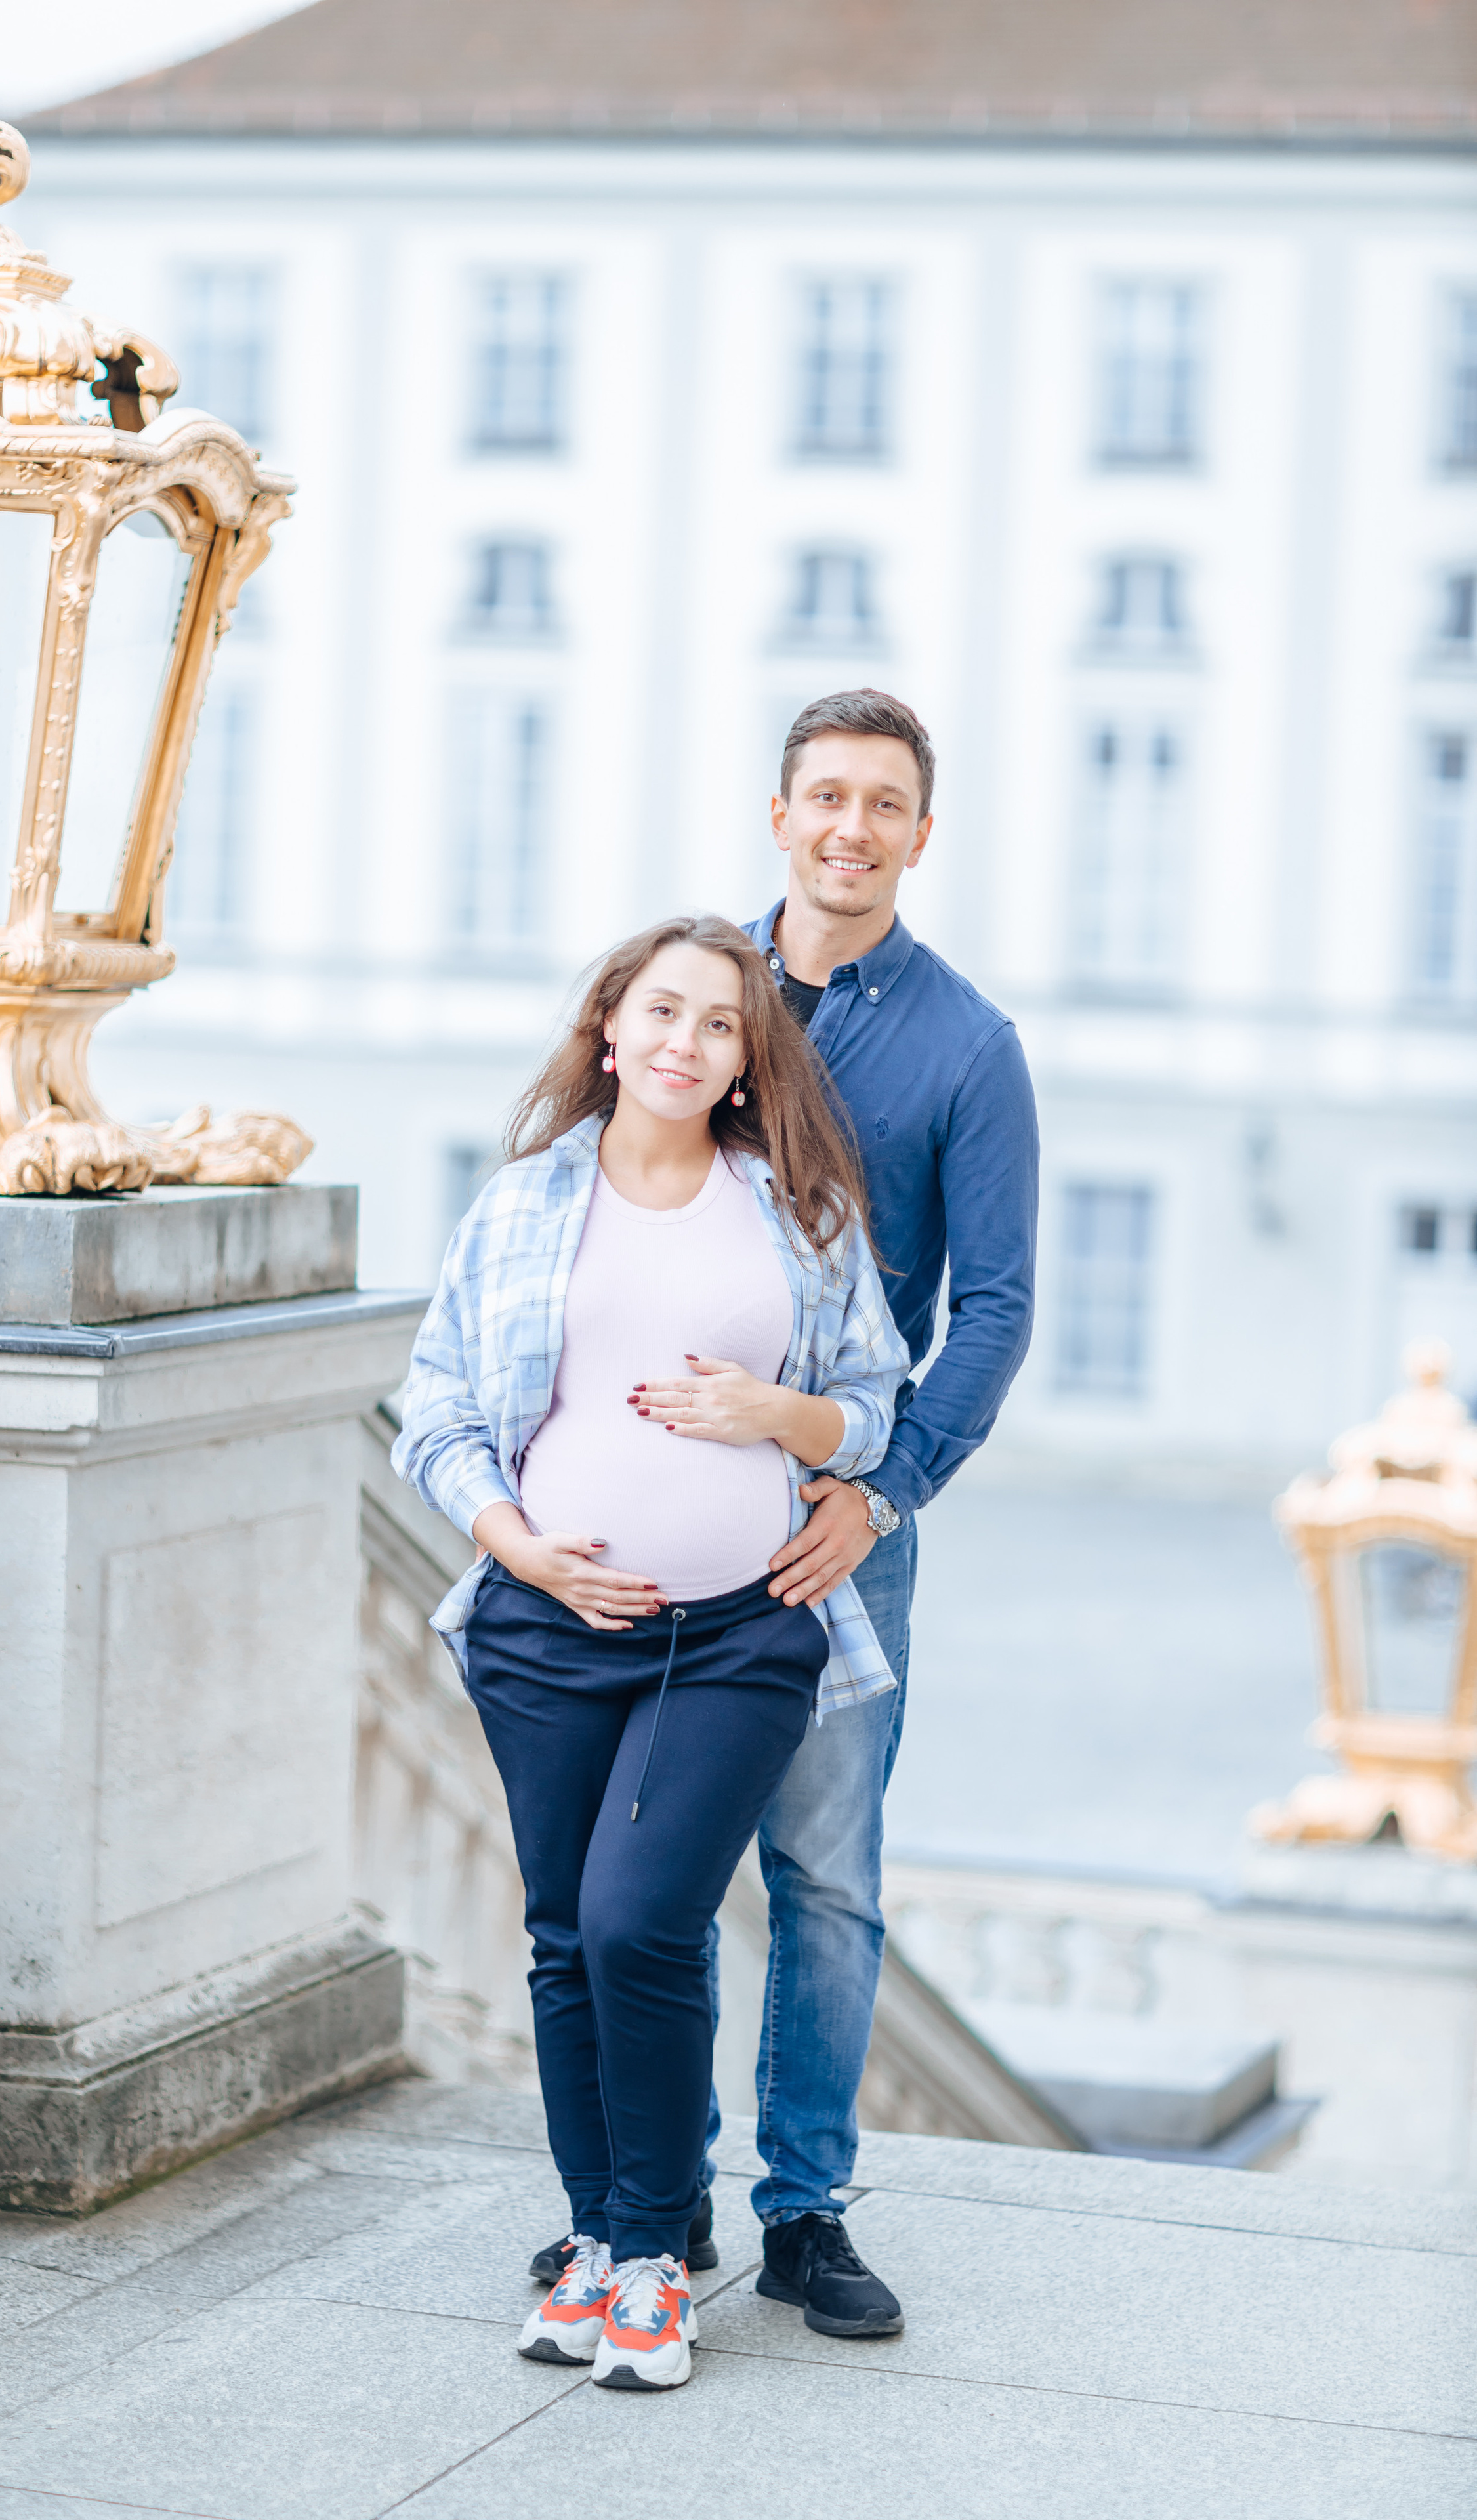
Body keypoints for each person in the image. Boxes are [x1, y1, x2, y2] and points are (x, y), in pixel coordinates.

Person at [527, 691, 1040, 2340]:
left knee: (823, 1877)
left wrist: (879, 1498)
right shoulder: (691, 997)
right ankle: (644, 2210)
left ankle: (805, 2210)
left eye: (882, 805)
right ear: (778, 813)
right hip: (641, 1541)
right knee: (624, 1890)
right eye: (825, 796)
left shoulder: (968, 1047)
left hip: (837, 1526)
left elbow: (998, 1310)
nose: (849, 828)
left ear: (917, 834)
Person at [392, 914, 910, 2391]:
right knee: (563, 1937)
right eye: (660, 1014)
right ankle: (617, 2253)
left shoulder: (796, 1214)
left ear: (746, 1066)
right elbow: (432, 1408)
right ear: (609, 1032)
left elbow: (870, 1409)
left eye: (718, 1025)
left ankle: (646, 2257)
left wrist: (779, 1418)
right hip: (548, 1631)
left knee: (640, 1923)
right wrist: (512, 1540)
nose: (684, 1043)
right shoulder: (520, 1205)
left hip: (740, 1633)